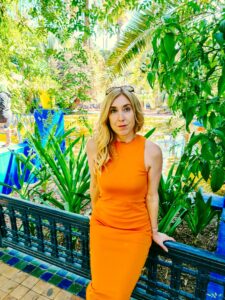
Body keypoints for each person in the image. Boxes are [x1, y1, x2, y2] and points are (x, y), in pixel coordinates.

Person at [85, 85, 174, 299]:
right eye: (113, 110)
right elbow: (94, 187)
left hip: (134, 233)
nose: (120, 117)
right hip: (102, 229)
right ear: (107, 116)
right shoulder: (96, 146)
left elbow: (152, 196)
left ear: (135, 111)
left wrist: (154, 231)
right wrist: (98, 217)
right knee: (99, 289)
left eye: (126, 109)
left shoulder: (151, 151)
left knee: (118, 293)